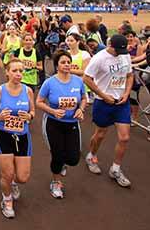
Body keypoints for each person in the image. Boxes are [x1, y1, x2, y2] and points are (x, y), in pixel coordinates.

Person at [83, 34, 133, 188]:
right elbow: (87, 78)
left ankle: (116, 169)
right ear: (110, 45)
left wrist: (126, 93)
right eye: (117, 50)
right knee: (100, 134)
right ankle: (91, 156)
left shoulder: (125, 56)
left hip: (121, 102)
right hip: (103, 103)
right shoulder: (99, 58)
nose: (120, 53)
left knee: (124, 138)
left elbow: (130, 75)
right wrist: (103, 96)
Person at [0, 58, 34, 219]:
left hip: (22, 135)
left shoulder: (28, 91)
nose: (18, 74)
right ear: (7, 72)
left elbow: (32, 112)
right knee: (7, 174)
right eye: (15, 71)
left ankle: (13, 182)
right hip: (3, 135)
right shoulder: (0, 91)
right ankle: (7, 200)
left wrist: (29, 115)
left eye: (21, 71)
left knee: (23, 177)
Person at [36, 50, 87, 199]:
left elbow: (84, 98)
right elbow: (39, 102)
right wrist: (52, 110)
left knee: (73, 159)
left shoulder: (78, 81)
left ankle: (63, 162)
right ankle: (56, 182)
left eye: (68, 62)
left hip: (72, 124)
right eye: (63, 62)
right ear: (57, 65)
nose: (66, 65)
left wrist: (81, 109)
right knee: (57, 155)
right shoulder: (50, 82)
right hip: (53, 123)